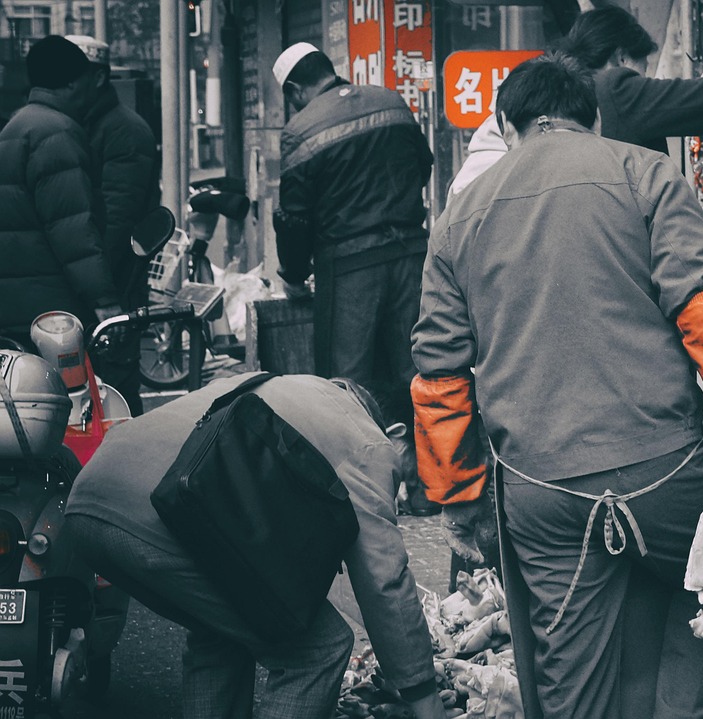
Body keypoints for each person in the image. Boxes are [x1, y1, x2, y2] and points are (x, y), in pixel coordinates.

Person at [412, 55, 703, 719]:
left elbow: (440, 371)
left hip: (542, 491)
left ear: (508, 126)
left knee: (571, 682)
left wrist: (457, 496)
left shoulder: (458, 216)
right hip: (664, 475)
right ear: (591, 121)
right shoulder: (645, 173)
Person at [64, 374, 447, 719]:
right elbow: (384, 580)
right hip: (152, 516)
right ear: (396, 433)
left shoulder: (287, 386)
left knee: (223, 635)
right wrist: (423, 694)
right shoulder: (366, 440)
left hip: (86, 502)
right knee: (319, 648)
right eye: (411, 474)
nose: (405, 491)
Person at [271, 42, 437, 514]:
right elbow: (423, 164)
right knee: (416, 372)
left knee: (348, 384)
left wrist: (293, 274)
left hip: (349, 268)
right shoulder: (391, 102)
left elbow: (295, 218)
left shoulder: (301, 129)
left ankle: (367, 496)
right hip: (409, 256)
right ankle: (427, 491)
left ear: (295, 90)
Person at [448, 5, 703, 196]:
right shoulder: (610, 89)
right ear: (621, 58)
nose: (645, 81)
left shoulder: (533, 90)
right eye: (643, 69)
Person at [0, 36, 121, 339]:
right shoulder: (57, 132)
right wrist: (103, 299)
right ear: (72, 83)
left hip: (15, 302)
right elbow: (72, 227)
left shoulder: (15, 126)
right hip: (53, 310)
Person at [66, 34, 160, 416]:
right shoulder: (82, 125)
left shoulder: (124, 130)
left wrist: (97, 288)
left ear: (98, 77)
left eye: (72, 76)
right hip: (94, 284)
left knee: (115, 394)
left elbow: (118, 220)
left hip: (115, 284)